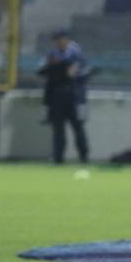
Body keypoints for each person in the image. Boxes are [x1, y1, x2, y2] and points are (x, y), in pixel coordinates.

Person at [37, 29, 91, 164]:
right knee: (58, 130)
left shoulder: (76, 55)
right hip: (56, 97)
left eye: (62, 39)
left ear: (66, 40)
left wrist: (76, 71)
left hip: (74, 98)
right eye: (57, 40)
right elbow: (41, 70)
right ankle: (58, 158)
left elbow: (85, 72)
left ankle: (83, 157)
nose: (60, 42)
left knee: (78, 128)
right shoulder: (51, 55)